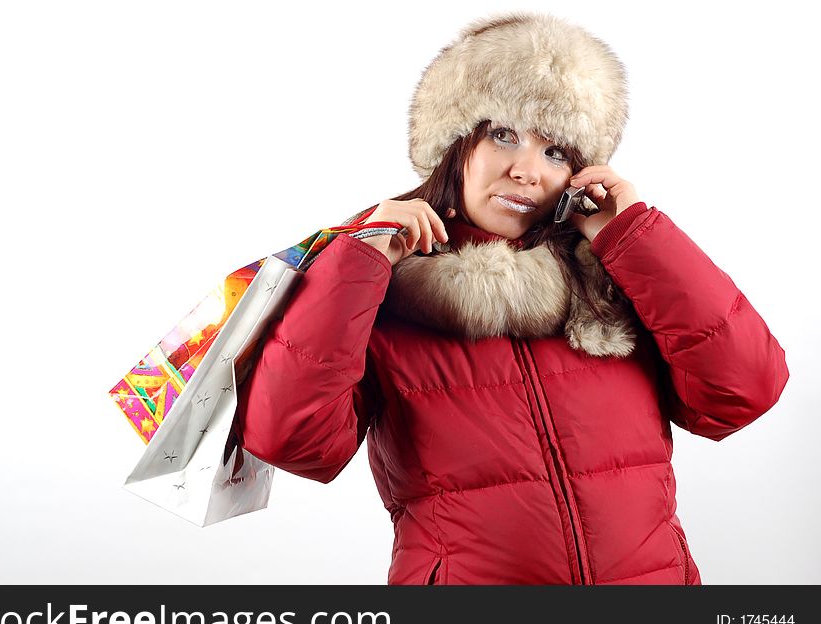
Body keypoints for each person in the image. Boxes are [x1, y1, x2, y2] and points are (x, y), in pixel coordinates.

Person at [231, 12, 789, 584]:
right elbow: (296, 443)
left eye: (556, 152)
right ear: (453, 146)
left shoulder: (612, 279)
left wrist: (636, 237)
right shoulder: (380, 290)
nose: (528, 171)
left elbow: (742, 392)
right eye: (504, 135)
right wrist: (355, 263)